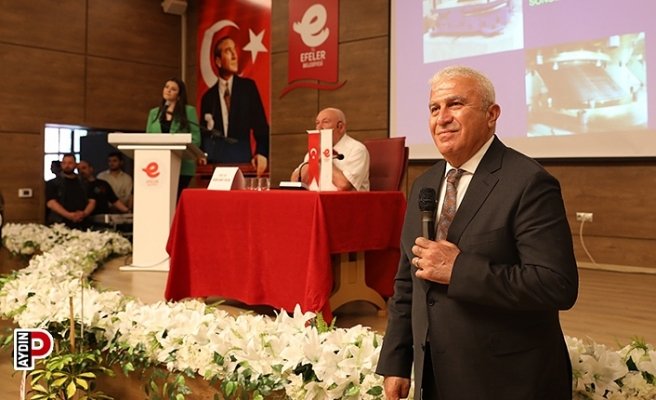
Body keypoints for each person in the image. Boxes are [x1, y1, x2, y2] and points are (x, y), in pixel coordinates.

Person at [376, 66, 579, 400]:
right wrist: (396, 361)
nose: (442, 118)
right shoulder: (424, 185)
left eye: (455, 104)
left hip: (506, 381)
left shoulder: (528, 183)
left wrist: (459, 270)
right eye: (434, 108)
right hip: (434, 376)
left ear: (491, 114)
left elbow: (556, 285)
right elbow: (407, 281)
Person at [200, 36, 269, 176]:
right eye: (228, 51)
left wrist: (262, 153)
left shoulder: (248, 88)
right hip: (215, 165)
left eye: (234, 50)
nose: (234, 55)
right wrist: (202, 154)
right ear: (218, 61)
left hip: (243, 162)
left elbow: (261, 127)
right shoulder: (208, 97)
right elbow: (204, 133)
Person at [146, 77, 204, 199]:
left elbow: (196, 139)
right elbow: (148, 138)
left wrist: (181, 151)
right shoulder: (154, 113)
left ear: (179, 95)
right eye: (166, 87)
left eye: (173, 89)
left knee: (175, 199)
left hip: (182, 165)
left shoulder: (188, 111)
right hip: (158, 165)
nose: (168, 90)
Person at [290, 107, 370, 191]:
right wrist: (314, 159)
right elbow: (295, 182)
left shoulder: (357, 150)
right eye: (317, 123)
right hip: (315, 198)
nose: (319, 128)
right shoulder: (315, 151)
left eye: (325, 122)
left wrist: (325, 159)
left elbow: (344, 186)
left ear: (340, 127)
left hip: (344, 199)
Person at [45, 154, 95, 230]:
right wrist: (69, 215)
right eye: (64, 163)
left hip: (82, 222)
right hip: (60, 223)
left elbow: (92, 201)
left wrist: (84, 214)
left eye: (70, 163)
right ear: (61, 164)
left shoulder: (84, 183)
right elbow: (51, 203)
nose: (67, 166)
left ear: (76, 165)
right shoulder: (53, 183)